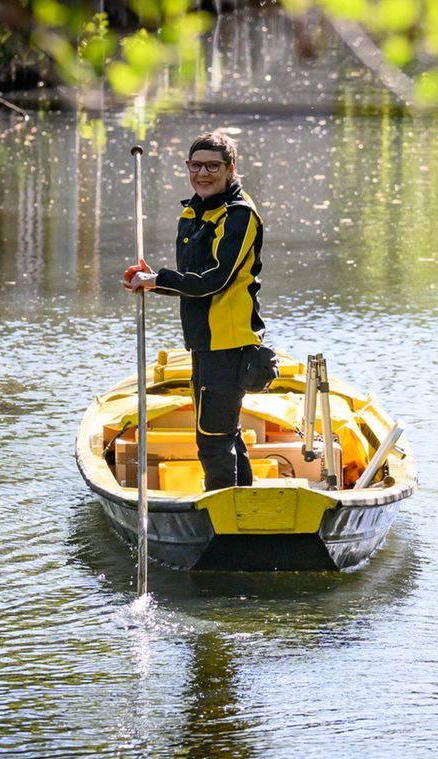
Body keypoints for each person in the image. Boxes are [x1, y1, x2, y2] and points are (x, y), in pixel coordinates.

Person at [124, 131, 265, 490]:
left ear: (231, 169)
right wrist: (151, 281)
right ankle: (243, 507)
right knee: (222, 433)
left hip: (229, 343)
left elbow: (215, 280)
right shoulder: (194, 212)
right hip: (204, 340)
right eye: (196, 165)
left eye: (213, 166)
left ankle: (224, 516)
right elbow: (193, 282)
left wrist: (159, 278)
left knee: (213, 439)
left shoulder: (239, 216)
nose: (203, 173)